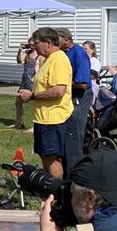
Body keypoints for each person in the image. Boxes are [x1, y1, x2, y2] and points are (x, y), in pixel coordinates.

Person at [17, 28, 72, 179]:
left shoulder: (59, 60)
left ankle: (55, 190)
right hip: (44, 118)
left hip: (53, 118)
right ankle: (49, 188)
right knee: (45, 156)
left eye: (36, 43)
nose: (34, 47)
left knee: (51, 158)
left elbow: (59, 91)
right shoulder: (48, 59)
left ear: (48, 42)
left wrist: (32, 96)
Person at [57, 28, 92, 170]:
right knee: (65, 134)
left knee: (74, 134)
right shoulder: (63, 53)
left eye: (57, 39)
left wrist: (61, 81)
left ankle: (74, 172)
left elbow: (82, 84)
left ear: (66, 39)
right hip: (69, 96)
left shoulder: (79, 53)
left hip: (79, 96)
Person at [14, 38, 39, 130]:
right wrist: (19, 50)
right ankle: (18, 123)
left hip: (32, 80)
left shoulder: (39, 54)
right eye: (30, 44)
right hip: (24, 79)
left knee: (33, 103)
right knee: (18, 101)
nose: (32, 46)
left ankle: (34, 126)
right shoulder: (27, 53)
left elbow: (40, 68)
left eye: (33, 44)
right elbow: (19, 61)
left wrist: (34, 78)